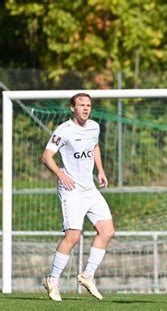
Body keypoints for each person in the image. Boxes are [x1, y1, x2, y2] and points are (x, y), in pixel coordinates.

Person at [42, 93, 115, 301]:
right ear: (72, 108)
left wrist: (100, 170)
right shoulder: (63, 131)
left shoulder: (94, 126)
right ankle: (53, 280)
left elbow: (94, 147)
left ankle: (87, 275)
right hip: (71, 189)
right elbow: (46, 156)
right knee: (73, 236)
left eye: (89, 105)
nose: (86, 108)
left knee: (107, 230)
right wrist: (60, 174)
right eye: (81, 105)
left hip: (90, 188)